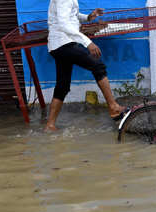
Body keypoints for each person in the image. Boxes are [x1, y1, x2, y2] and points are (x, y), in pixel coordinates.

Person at [45, 0, 130, 131]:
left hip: (59, 45)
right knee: (98, 66)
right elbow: (63, 24)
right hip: (64, 43)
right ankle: (113, 107)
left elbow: (72, 15)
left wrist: (88, 17)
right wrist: (87, 42)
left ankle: (50, 125)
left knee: (63, 86)